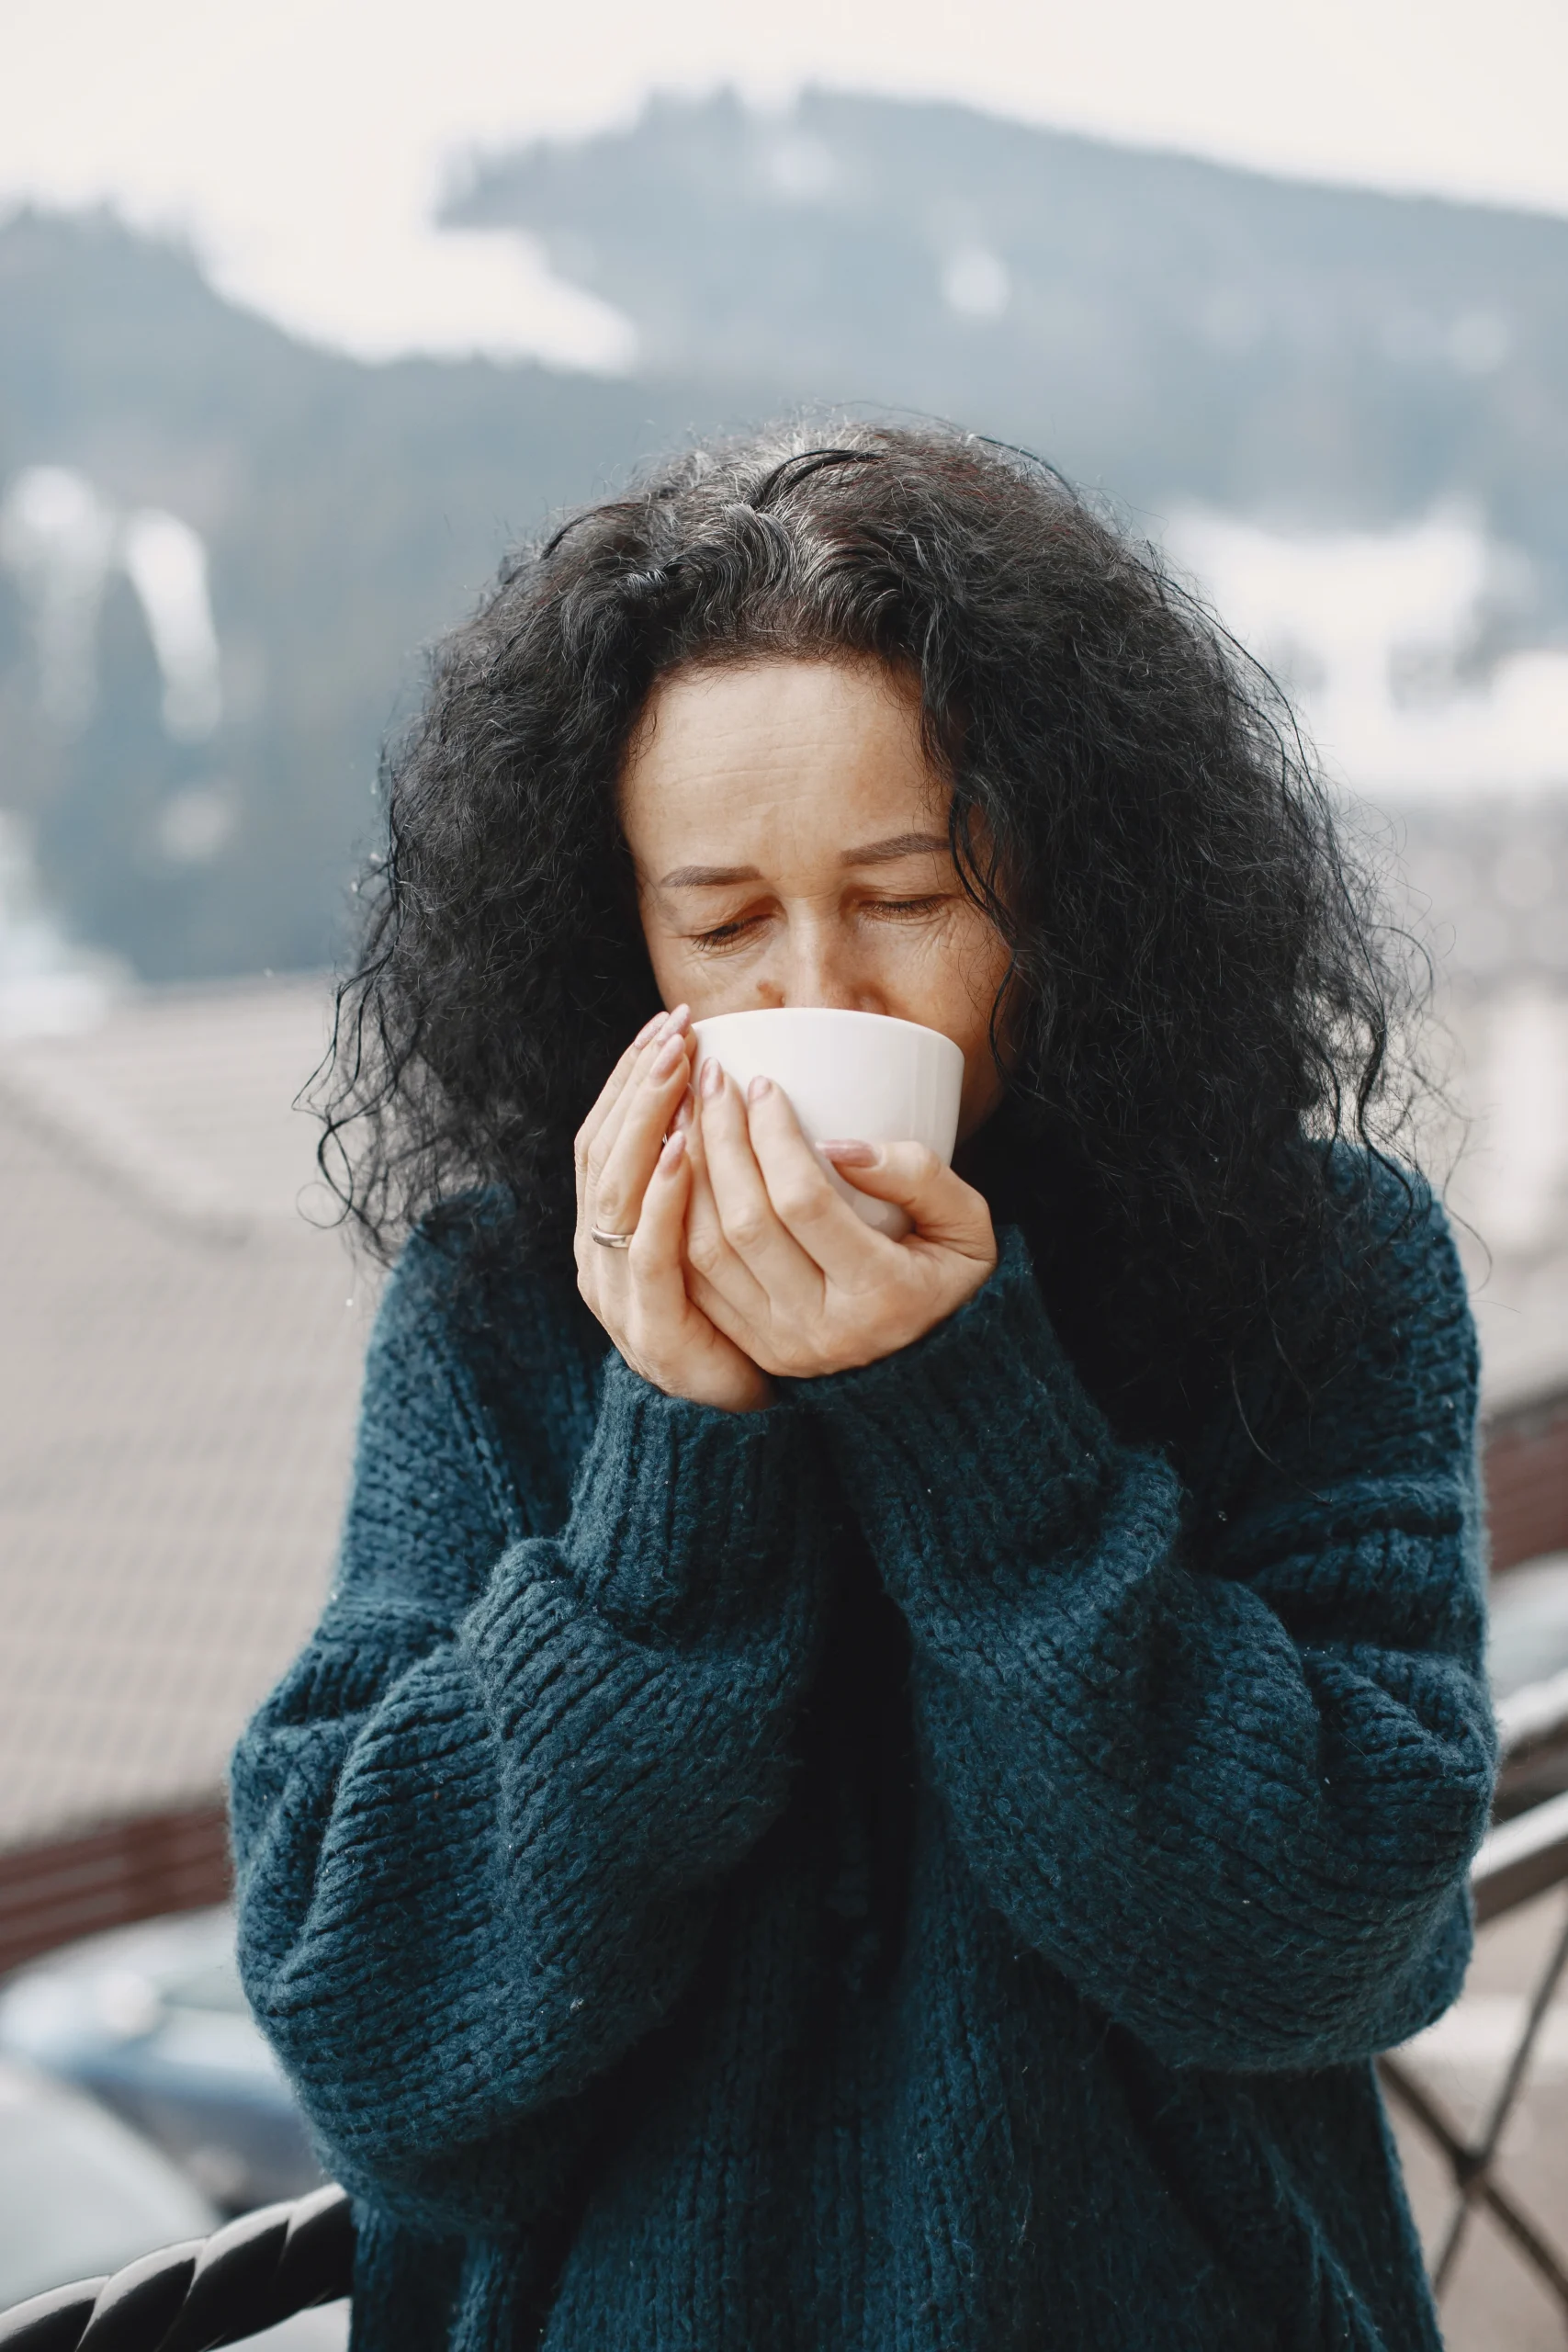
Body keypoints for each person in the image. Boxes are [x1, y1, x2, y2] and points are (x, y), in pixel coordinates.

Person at [231, 425, 1495, 2351]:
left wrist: (976, 1433)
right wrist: (670, 1489)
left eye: (904, 894)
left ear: (1063, 884)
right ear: (617, 932)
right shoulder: (502, 1307)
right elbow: (376, 2025)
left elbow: (1327, 1929)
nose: (819, 994)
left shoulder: (1316, 1266)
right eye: (724, 923)